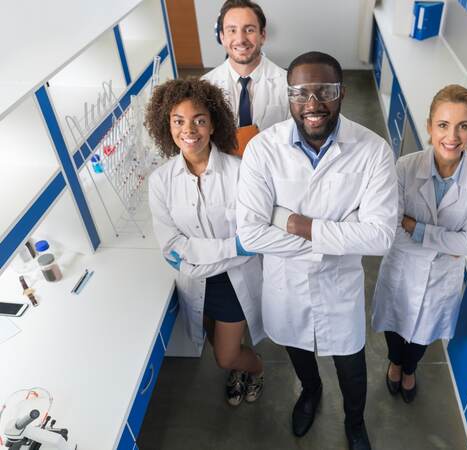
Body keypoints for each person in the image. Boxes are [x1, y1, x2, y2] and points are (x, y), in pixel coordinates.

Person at [236, 52, 397, 450]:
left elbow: (379, 237)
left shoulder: (373, 150)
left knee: (352, 364)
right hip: (286, 285)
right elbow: (251, 234)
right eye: (301, 92)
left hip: (339, 288)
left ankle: (355, 421)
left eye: (325, 91)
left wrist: (294, 222)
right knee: (298, 349)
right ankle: (310, 393)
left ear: (341, 94)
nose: (313, 103)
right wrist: (338, 236)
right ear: (289, 95)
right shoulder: (262, 150)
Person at [146, 78, 265, 407]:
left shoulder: (242, 173)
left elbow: (251, 240)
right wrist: (231, 248)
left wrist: (194, 254)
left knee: (226, 357)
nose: (189, 130)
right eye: (178, 121)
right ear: (166, 125)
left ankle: (255, 369)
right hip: (196, 283)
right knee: (217, 343)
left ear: (213, 124)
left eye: (199, 120)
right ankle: (240, 369)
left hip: (232, 283)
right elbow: (171, 246)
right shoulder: (160, 182)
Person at [371, 84, 467, 403]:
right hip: (402, 268)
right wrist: (447, 244)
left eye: (462, 126)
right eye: (443, 125)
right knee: (395, 326)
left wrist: (417, 228)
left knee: (423, 336)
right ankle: (395, 364)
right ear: (429, 126)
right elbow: (391, 228)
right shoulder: (404, 168)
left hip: (440, 281)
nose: (452, 136)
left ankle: (410, 369)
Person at [202, 0, 289, 131]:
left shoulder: (288, 84)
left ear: (262, 35)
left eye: (249, 30)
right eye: (232, 30)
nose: (241, 39)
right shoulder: (205, 86)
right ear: (222, 37)